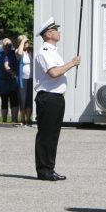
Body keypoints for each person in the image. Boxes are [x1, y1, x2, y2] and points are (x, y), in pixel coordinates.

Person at [34, 18, 80, 181]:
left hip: (56, 98)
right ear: (48, 33)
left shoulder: (53, 51)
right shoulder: (44, 52)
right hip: (48, 97)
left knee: (53, 135)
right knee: (46, 134)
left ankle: (49, 168)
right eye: (56, 30)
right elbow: (53, 73)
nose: (59, 32)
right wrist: (72, 63)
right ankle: (44, 170)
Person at [0, 38, 20, 124]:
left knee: (14, 99)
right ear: (2, 46)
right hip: (3, 80)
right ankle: (4, 120)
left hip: (13, 79)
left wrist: (14, 73)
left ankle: (14, 119)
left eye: (9, 45)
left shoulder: (14, 53)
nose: (7, 47)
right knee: (4, 100)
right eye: (6, 45)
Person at [16, 34, 34, 126]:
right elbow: (19, 54)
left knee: (29, 99)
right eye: (24, 42)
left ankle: (28, 118)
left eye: (27, 41)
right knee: (23, 100)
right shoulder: (18, 51)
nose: (27, 43)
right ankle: (22, 118)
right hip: (22, 79)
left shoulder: (31, 51)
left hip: (31, 79)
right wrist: (22, 41)